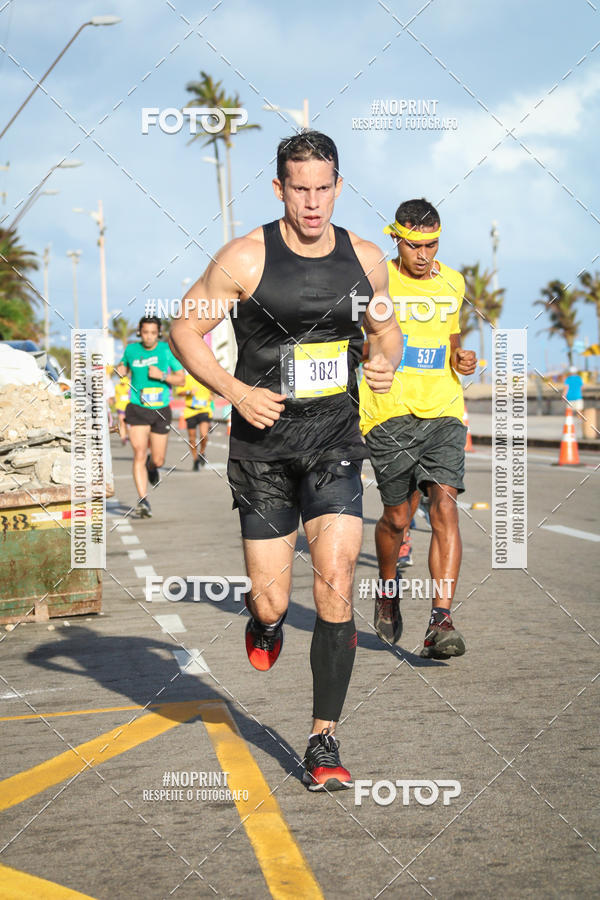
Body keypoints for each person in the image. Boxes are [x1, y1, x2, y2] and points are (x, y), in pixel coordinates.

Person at [170, 130, 402, 792]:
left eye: (323, 188)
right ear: (279, 189)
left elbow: (386, 330)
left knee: (335, 580)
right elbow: (186, 327)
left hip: (334, 442)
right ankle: (265, 622)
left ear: (338, 186)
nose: (312, 202)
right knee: (272, 600)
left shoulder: (366, 259)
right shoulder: (244, 258)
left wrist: (384, 361)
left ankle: (323, 738)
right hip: (263, 449)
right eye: (299, 189)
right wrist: (236, 390)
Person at [359, 198, 477, 657]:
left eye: (431, 245)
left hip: (444, 408)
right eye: (414, 246)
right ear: (396, 239)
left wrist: (460, 358)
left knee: (444, 505)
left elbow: (451, 338)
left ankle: (440, 621)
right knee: (397, 518)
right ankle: (388, 589)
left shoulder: (453, 281)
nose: (423, 255)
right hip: (388, 412)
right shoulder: (376, 281)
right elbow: (358, 342)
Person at [115, 316, 185, 517]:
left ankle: (151, 466)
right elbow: (122, 368)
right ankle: (143, 500)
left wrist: (162, 376)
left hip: (161, 410)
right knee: (139, 452)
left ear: (159, 333)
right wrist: (120, 370)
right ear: (140, 332)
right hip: (137, 408)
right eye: (145, 332)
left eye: (153, 333)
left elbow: (181, 379)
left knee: (158, 459)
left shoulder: (166, 350)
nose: (149, 337)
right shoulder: (131, 350)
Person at [176, 372, 213, 470]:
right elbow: (179, 392)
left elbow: (214, 389)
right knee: (192, 438)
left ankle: (202, 452)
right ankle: (195, 459)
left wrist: (212, 395)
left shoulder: (206, 377)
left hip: (204, 410)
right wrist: (188, 392)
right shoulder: (187, 378)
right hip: (190, 411)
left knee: (203, 435)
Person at [114, 373, 131, 444]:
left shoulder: (130, 386)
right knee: (122, 422)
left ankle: (129, 435)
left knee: (128, 423)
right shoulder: (117, 386)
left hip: (129, 407)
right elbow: (116, 396)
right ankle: (123, 438)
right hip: (120, 407)